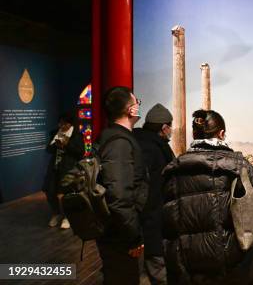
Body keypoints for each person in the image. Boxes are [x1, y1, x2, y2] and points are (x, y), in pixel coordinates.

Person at [162, 109, 253, 285]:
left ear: (194, 134)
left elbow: (166, 213)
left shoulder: (173, 169)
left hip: (187, 260)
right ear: (221, 134)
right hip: (232, 257)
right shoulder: (237, 164)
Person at [96, 86, 148, 285]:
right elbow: (118, 195)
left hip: (117, 231)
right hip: (118, 235)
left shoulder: (115, 137)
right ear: (131, 110)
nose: (138, 106)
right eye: (137, 102)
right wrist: (132, 237)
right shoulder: (119, 142)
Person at [133, 103, 175, 285]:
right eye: (170, 127)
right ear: (164, 128)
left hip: (136, 224)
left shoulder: (136, 142)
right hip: (152, 224)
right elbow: (155, 192)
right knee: (158, 273)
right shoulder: (156, 150)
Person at [42, 112, 84, 229]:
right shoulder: (55, 133)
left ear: (70, 124)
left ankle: (68, 217)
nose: (61, 125)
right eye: (60, 123)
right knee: (49, 191)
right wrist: (56, 144)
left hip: (68, 169)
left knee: (67, 194)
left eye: (64, 123)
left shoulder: (77, 135)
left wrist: (66, 145)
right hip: (54, 168)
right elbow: (48, 149)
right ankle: (56, 213)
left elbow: (80, 152)